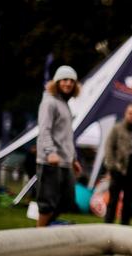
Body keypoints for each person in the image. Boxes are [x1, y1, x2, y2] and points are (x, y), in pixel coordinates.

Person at [35, 65, 82, 227]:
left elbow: (66, 136)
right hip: (50, 160)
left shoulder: (65, 104)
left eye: (71, 81)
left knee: (67, 201)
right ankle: (38, 237)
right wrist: (50, 152)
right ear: (57, 82)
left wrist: (74, 158)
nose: (68, 83)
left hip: (65, 161)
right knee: (47, 204)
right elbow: (44, 130)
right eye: (64, 80)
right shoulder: (49, 102)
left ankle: (49, 229)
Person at [103, 103, 132, 225]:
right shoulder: (117, 128)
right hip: (119, 169)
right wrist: (112, 166)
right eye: (131, 113)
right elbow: (108, 147)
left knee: (129, 201)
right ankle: (108, 226)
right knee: (113, 200)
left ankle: (124, 227)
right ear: (125, 113)